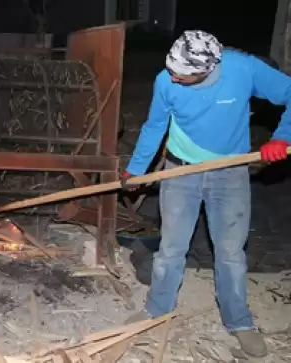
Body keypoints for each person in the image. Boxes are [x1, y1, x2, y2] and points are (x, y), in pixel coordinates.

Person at [122, 30, 291, 358]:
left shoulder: (243, 70)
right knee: (171, 249)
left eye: (181, 74)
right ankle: (156, 312)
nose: (172, 77)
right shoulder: (166, 80)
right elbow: (155, 126)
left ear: (209, 68)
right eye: (171, 69)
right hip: (180, 170)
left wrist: (282, 137)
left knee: (230, 252)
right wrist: (136, 169)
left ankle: (238, 321)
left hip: (230, 173)